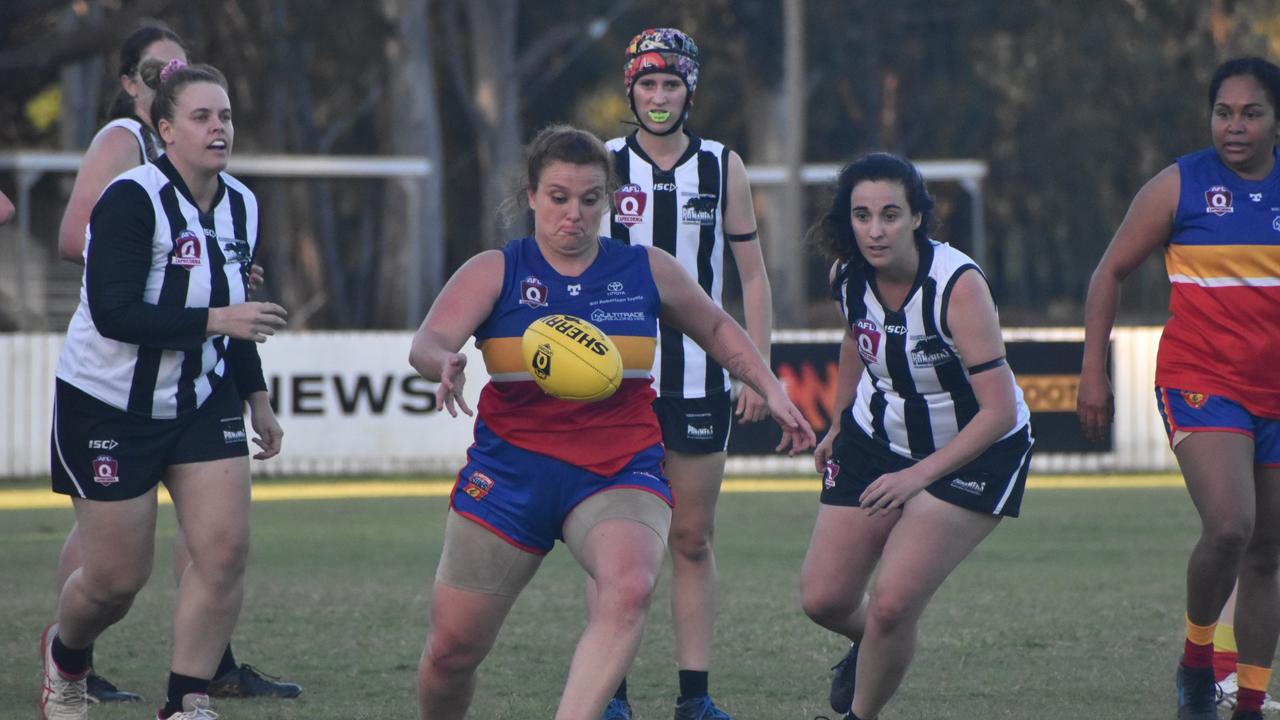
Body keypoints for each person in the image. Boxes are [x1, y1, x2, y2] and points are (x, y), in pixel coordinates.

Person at [409, 123, 815, 720]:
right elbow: (429, 339)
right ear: (531, 196)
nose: (573, 214)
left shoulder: (644, 269)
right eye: (558, 198)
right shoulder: (497, 270)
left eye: (589, 199)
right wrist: (442, 361)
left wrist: (770, 387)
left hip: (617, 468)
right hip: (509, 475)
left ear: (611, 199)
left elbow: (719, 328)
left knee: (628, 589)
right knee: (451, 653)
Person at [53, 25, 296, 704]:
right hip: (108, 403)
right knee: (114, 581)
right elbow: (114, 313)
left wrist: (257, 399)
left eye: (225, 116)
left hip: (201, 400)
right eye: (201, 116)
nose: (219, 128)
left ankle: (187, 701)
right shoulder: (131, 198)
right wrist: (220, 320)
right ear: (164, 130)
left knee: (222, 551)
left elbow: (235, 310)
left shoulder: (242, 202)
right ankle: (65, 659)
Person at [1077, 56, 1280, 720]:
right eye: (1223, 113)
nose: (1235, 127)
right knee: (1230, 526)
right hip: (1202, 382)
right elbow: (1109, 272)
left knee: (1267, 552)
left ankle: (1248, 704)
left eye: (1251, 113)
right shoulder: (1179, 185)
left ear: (1275, 120)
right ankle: (1197, 659)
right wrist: (1091, 371)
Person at [799, 152, 1034, 720]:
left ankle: (863, 708)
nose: (874, 231)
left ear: (917, 218)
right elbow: (858, 340)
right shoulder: (847, 275)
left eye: (889, 215)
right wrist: (837, 421)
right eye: (861, 216)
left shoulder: (958, 287)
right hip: (877, 435)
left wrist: (916, 478)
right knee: (824, 600)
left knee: (892, 604)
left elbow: (998, 412)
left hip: (976, 450)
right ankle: (876, 643)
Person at [597, 27, 772, 720]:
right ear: (631, 91)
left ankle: (694, 699)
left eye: (672, 84)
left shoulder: (723, 166)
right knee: (615, 540)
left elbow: (752, 276)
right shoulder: (602, 162)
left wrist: (756, 370)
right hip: (614, 380)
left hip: (700, 379)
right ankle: (609, 694)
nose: (659, 96)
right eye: (648, 84)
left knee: (692, 539)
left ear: (690, 90)